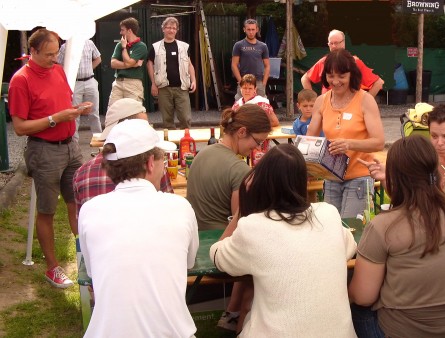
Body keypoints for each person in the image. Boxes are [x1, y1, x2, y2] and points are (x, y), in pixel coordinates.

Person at [210, 144, 357, 338]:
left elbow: (217, 255)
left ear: (261, 181)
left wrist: (242, 209)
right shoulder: (328, 214)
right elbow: (349, 246)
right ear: (303, 180)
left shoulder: (253, 227)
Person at [349, 135, 445, 338]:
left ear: (395, 177)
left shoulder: (383, 226)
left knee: (356, 304)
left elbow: (363, 297)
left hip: (408, 332)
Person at [79, 119, 198, 337]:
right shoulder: (180, 207)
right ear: (151, 163)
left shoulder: (90, 210)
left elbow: (92, 269)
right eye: (163, 159)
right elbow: (189, 262)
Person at [8, 28, 92, 288]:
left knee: (79, 203)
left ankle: (87, 258)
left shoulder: (56, 70)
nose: (54, 59)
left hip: (70, 146)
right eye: (48, 54)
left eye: (56, 53)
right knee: (47, 209)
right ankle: (52, 268)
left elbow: (60, 104)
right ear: (32, 52)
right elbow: (20, 127)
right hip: (44, 150)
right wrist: (56, 119)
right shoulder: (20, 80)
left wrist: (76, 111)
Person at [187, 104, 271, 332]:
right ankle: (235, 317)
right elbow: (241, 225)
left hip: (196, 241)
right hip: (217, 250)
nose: (258, 147)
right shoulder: (239, 170)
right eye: (258, 141)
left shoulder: (202, 154)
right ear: (242, 132)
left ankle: (231, 313)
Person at [307, 49, 385, 218]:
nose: (335, 81)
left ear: (352, 75)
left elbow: (379, 142)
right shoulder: (321, 101)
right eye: (330, 75)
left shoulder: (365, 100)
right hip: (331, 177)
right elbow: (309, 138)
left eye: (341, 76)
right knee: (331, 230)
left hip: (359, 178)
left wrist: (349, 144)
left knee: (351, 230)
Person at [73, 98, 174, 213]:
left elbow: (79, 226)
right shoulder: (153, 163)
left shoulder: (81, 173)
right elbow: (169, 207)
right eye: (144, 127)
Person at [147, 16, 197, 129]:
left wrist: (193, 80)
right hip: (164, 88)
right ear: (163, 29)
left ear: (177, 30)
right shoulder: (155, 47)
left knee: (185, 118)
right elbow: (149, 63)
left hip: (182, 88)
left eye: (174, 28)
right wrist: (153, 83)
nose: (171, 30)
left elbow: (189, 64)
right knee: (167, 120)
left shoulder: (184, 47)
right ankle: (172, 145)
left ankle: (185, 142)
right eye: (168, 27)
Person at [301, 29, 384, 97]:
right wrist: (314, 101)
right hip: (327, 110)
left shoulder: (354, 62)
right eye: (331, 43)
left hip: (350, 110)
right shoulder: (323, 62)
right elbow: (305, 79)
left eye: (336, 43)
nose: (333, 46)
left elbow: (379, 83)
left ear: (344, 43)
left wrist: (365, 103)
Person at [57, 39, 102, 142]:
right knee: (74, 113)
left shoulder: (89, 43)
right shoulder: (65, 47)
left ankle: (98, 140)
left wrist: (89, 69)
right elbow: (58, 64)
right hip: (74, 83)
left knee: (94, 112)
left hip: (90, 80)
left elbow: (98, 58)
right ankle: (74, 141)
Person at [108, 17, 148, 107]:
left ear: (129, 31)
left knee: (133, 113)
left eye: (122, 30)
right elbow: (113, 63)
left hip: (133, 84)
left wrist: (124, 48)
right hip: (118, 83)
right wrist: (130, 65)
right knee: (112, 111)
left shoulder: (141, 46)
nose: (120, 33)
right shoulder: (119, 44)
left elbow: (128, 62)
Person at [231, 18, 269, 101]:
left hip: (258, 82)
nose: (251, 32)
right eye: (248, 29)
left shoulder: (263, 46)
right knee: (240, 107)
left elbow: (267, 65)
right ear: (244, 30)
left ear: (257, 30)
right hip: (244, 81)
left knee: (261, 107)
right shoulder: (238, 45)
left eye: (253, 29)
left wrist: (264, 83)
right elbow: (234, 65)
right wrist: (240, 81)